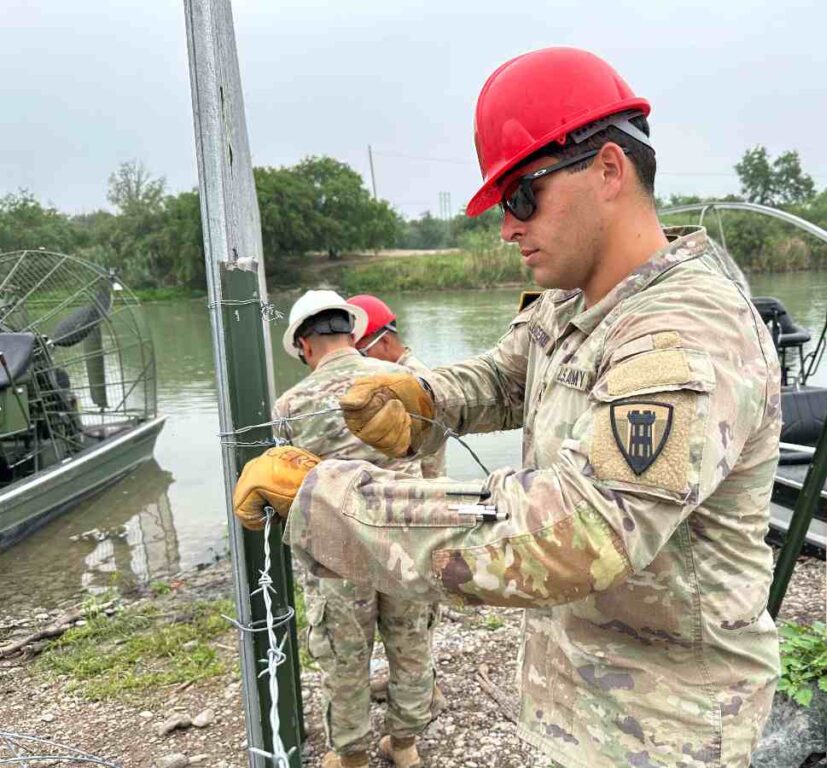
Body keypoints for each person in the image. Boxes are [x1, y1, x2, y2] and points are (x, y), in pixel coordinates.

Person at [235, 47, 781, 768]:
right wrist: (426, 397)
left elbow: (578, 532)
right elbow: (506, 376)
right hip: (580, 704)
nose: (507, 228)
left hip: (668, 728)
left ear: (609, 171)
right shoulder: (572, 303)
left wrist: (330, 497)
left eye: (522, 196)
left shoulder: (683, 334)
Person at [265, 289, 442, 768]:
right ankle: (405, 747)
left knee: (344, 654)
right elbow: (429, 459)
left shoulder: (290, 405)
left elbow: (288, 483)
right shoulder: (401, 380)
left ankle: (352, 757)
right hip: (407, 539)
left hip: (336, 549)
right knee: (410, 641)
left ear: (304, 346)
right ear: (351, 331)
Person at [346, 294, 446, 478]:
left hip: (426, 488)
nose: (356, 362)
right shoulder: (382, 377)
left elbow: (427, 457)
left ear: (384, 341)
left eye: (361, 353)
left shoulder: (418, 381)